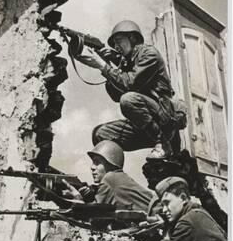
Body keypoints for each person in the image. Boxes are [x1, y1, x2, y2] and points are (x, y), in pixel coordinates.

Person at [76, 20, 182, 159]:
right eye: (114, 44)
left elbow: (130, 84)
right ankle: (113, 174)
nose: (116, 46)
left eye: (119, 41)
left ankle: (163, 143)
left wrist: (103, 66)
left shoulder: (149, 54)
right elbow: (116, 95)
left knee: (128, 99)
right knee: (100, 133)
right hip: (145, 125)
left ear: (132, 38)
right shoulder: (125, 62)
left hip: (164, 120)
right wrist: (109, 65)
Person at [63, 140, 155, 213]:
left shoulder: (111, 178)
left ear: (111, 164)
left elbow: (94, 218)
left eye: (97, 162)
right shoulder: (119, 179)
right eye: (93, 163)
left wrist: (77, 197)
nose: (92, 167)